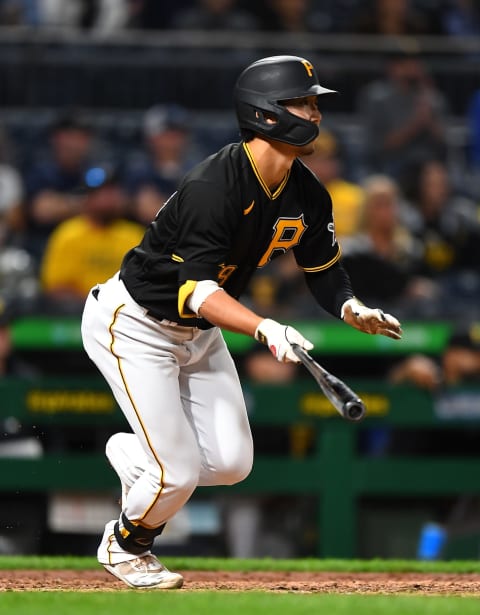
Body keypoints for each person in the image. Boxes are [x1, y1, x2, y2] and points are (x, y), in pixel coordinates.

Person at [81, 55, 402, 589]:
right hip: (135, 323)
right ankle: (125, 544)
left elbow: (322, 269)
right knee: (177, 473)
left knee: (231, 463)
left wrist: (350, 307)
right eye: (304, 102)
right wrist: (264, 327)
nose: (316, 113)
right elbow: (198, 292)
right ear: (268, 114)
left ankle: (136, 454)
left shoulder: (306, 191)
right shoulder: (215, 185)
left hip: (199, 332)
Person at [40, 166, 144, 312]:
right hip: (78, 313)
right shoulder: (69, 234)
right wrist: (96, 304)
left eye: (112, 192)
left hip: (124, 314)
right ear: (86, 198)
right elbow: (56, 288)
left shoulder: (134, 235)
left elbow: (145, 284)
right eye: (101, 193)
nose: (108, 199)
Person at [357, 51, 448, 180]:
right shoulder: (377, 97)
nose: (411, 68)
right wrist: (416, 124)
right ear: (392, 67)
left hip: (427, 163)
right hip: (391, 162)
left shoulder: (432, 98)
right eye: (405, 64)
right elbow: (378, 145)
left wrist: (429, 121)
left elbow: (444, 143)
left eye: (415, 63)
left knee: (436, 175)